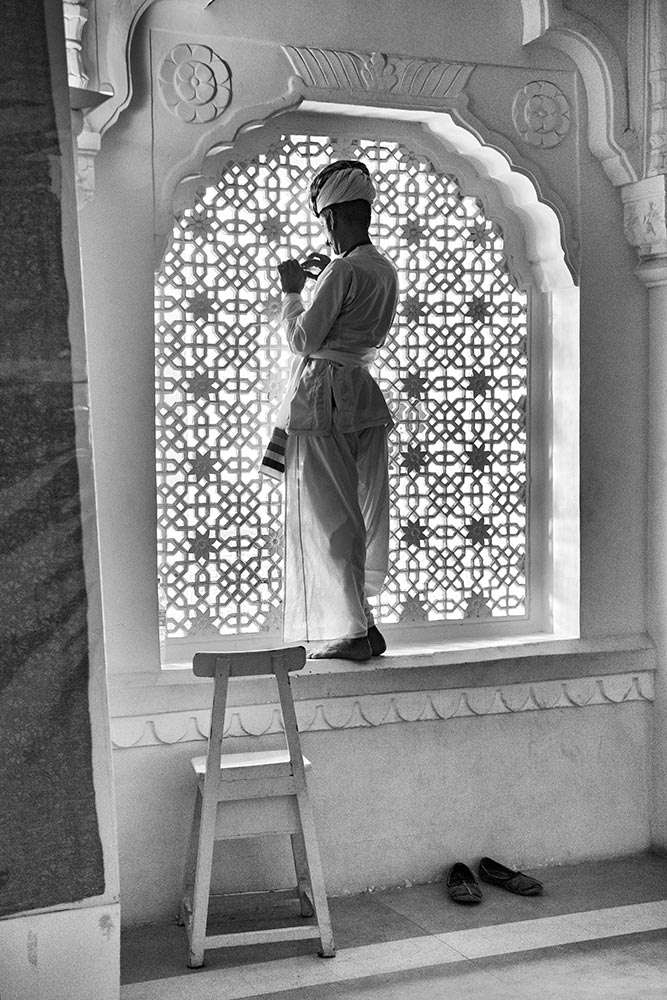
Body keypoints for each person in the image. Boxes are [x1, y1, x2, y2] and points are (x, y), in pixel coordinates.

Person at [275, 159, 399, 661]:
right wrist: (323, 279)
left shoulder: (343, 269)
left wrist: (292, 292)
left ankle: (353, 631)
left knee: (331, 519)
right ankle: (363, 622)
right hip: (361, 396)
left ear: (331, 217)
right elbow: (353, 330)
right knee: (359, 512)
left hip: (324, 400)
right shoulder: (382, 268)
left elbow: (302, 339)